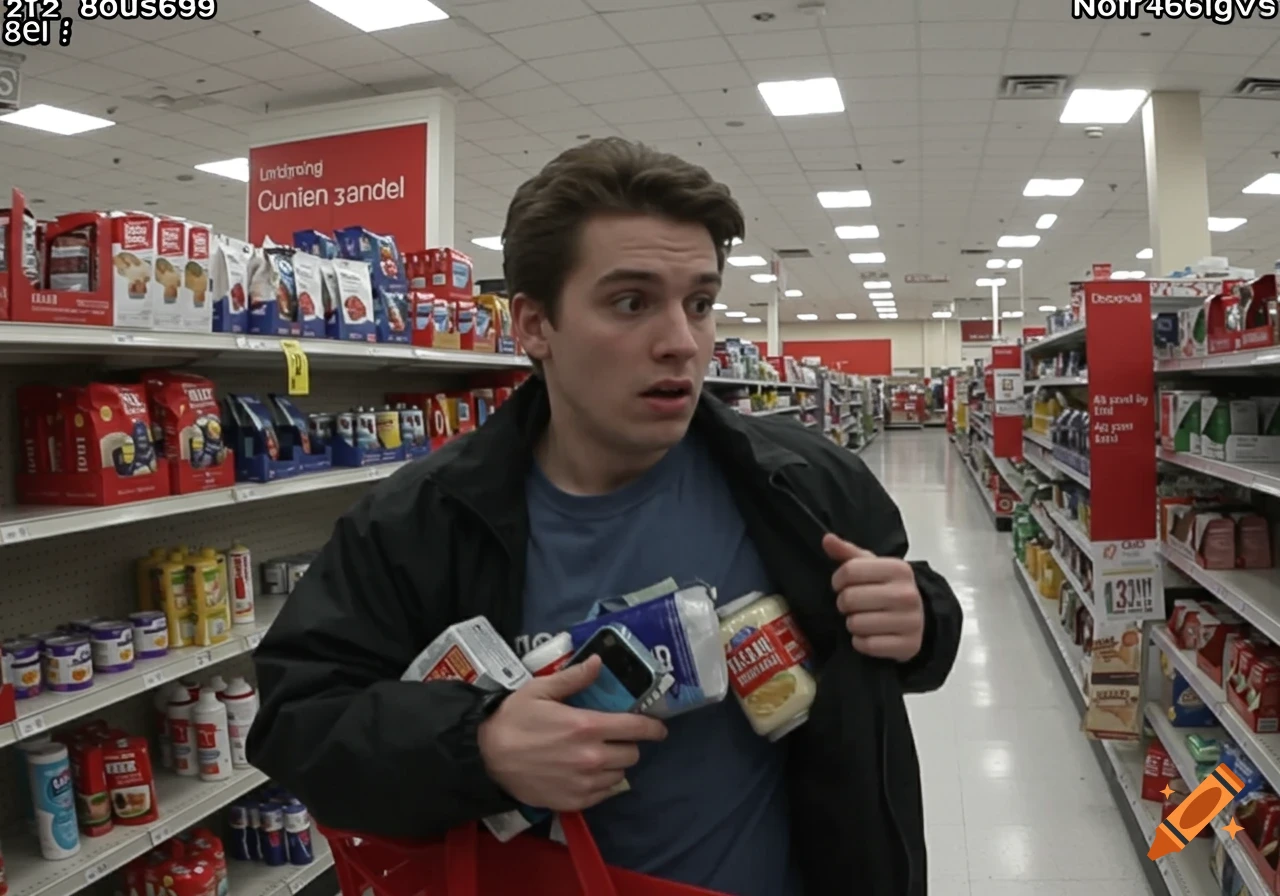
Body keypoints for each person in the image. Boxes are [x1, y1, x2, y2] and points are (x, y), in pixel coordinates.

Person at [247, 137, 962, 896]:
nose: (681, 343)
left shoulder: (805, 482)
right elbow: (298, 722)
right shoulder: (419, 522)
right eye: (631, 302)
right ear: (533, 326)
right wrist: (478, 745)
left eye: (699, 302)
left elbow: (906, 627)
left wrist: (923, 618)